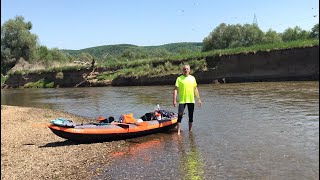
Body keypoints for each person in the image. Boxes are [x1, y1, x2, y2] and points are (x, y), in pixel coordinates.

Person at [173, 64, 202, 135]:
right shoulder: (179, 79)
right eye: (184, 69)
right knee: (180, 115)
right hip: (182, 100)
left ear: (189, 70)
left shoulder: (193, 78)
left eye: (187, 69)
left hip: (191, 100)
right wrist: (174, 100)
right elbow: (176, 90)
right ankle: (178, 131)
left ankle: (190, 131)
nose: (186, 70)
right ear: (182, 70)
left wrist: (199, 99)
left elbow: (195, 89)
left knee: (191, 116)